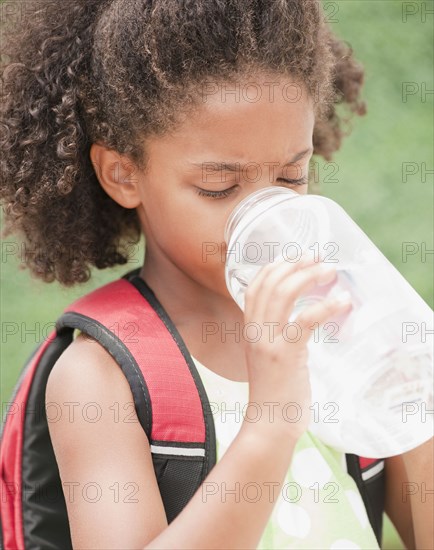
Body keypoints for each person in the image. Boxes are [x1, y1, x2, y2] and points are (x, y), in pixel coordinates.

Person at [1, 1, 432, 548]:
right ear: (123, 173)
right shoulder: (97, 379)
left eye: (290, 175)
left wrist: (413, 404)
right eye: (218, 187)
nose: (264, 212)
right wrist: (271, 421)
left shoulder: (328, 326)